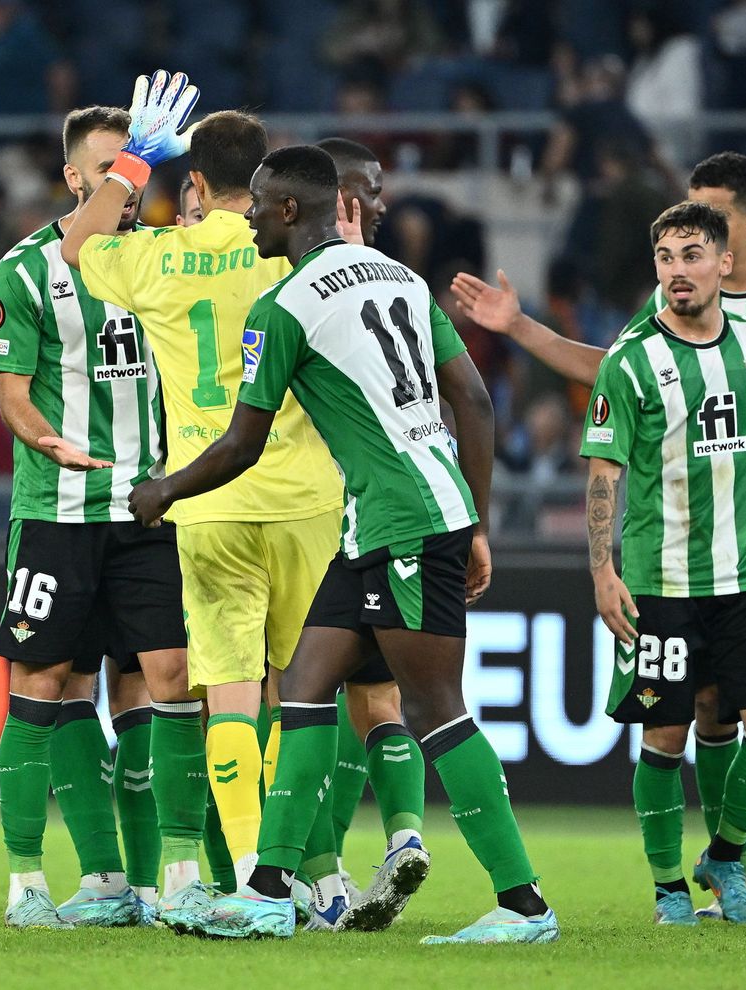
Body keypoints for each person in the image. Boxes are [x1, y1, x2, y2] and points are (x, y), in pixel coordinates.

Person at [452, 152, 746, 922]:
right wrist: (524, 328)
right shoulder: (662, 313)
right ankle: (715, 875)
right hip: (676, 552)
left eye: (707, 222)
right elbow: (615, 376)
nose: (687, 241)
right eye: (675, 237)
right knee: (696, 718)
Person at [129, 144, 558, 945]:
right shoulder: (398, 277)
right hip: (388, 521)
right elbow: (473, 399)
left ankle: (524, 904)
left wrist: (163, 489)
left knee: (435, 709)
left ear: (291, 211)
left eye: (258, 203)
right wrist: (475, 521)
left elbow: (240, 447)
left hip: (399, 522)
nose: (247, 214)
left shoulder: (286, 305)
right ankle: (266, 890)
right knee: (303, 688)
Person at [61, 78, 346, 926]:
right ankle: (323, 880)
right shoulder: (285, 246)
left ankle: (259, 878)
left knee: (223, 695)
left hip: (208, 499)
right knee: (302, 699)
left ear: (193, 184)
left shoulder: (158, 256)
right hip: (306, 498)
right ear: (263, 182)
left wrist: (134, 158)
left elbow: (77, 243)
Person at [581, 200, 746, 926]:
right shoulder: (631, 358)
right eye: (665, 257)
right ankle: (667, 890)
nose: (677, 271)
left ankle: (725, 853)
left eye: (692, 255)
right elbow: (603, 473)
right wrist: (603, 571)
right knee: (665, 735)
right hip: (661, 584)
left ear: (725, 262)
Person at [0, 105, 183, 929]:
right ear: (74, 178)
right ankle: (34, 880)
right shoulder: (24, 272)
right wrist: (45, 440)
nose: (128, 188)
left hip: (151, 509)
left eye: (139, 168)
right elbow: (11, 394)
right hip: (58, 513)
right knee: (46, 684)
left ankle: (163, 878)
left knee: (165, 683)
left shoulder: (169, 260)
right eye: (112, 169)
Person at [309, 137, 431, 927]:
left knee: (293, 699)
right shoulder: (405, 285)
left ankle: (309, 880)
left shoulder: (295, 284)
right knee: (377, 695)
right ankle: (404, 834)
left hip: (313, 513)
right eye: (371, 192)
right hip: (390, 512)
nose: (383, 206)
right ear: (338, 198)